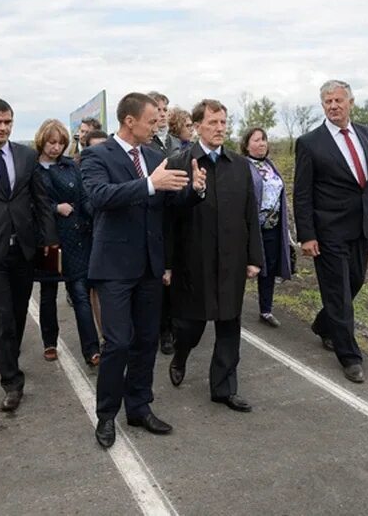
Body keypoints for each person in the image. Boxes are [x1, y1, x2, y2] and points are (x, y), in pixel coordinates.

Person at [80, 92, 205, 449]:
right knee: (118, 342)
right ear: (129, 120)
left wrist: (194, 190)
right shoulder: (96, 155)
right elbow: (100, 197)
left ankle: (139, 406)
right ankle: (106, 415)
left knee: (146, 340)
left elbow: (170, 201)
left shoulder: (155, 156)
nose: (157, 126)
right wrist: (151, 184)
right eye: (151, 120)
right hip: (114, 267)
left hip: (150, 265)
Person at [166, 100, 263, 412]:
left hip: (232, 260)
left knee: (229, 323)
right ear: (197, 126)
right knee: (191, 326)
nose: (220, 128)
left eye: (223, 122)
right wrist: (167, 263)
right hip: (193, 260)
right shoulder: (180, 162)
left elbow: (251, 215)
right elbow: (168, 216)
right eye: (213, 122)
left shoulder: (240, 166)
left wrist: (254, 258)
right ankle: (181, 353)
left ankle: (224, 388)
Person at [293, 80, 368, 384]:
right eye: (327, 102)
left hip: (361, 226)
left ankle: (325, 325)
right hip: (328, 230)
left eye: (338, 100)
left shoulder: (365, 133)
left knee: (355, 281)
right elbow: (302, 193)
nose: (333, 106)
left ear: (350, 102)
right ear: (322, 106)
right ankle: (349, 356)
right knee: (338, 293)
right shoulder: (310, 142)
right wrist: (307, 235)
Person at [0, 98, 58, 412]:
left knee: (18, 313)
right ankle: (11, 381)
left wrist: (48, 237)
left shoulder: (25, 156)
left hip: (23, 248)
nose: (3, 128)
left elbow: (41, 198)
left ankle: (10, 353)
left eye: (8, 122)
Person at [33, 119, 100, 366]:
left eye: (61, 143)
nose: (56, 147)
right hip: (47, 239)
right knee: (48, 293)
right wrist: (54, 208)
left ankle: (91, 349)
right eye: (52, 142)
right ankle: (49, 342)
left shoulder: (71, 166)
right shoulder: (31, 168)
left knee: (80, 293)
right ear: (42, 140)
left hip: (75, 237)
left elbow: (83, 198)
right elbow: (29, 203)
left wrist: (97, 216)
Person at [241, 127, 292, 328]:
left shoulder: (271, 165)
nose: (262, 143)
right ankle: (230, 307)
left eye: (264, 139)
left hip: (272, 227)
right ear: (246, 145)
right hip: (251, 229)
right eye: (256, 140)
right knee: (244, 268)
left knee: (268, 269)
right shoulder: (243, 166)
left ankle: (266, 309)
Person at [144, 92, 178, 355]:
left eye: (166, 108)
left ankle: (173, 324)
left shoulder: (178, 143)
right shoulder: (145, 144)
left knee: (174, 274)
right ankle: (161, 329)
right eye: (158, 108)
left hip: (177, 214)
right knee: (158, 277)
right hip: (154, 213)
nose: (163, 113)